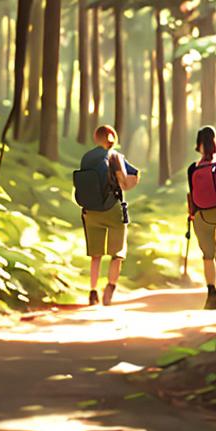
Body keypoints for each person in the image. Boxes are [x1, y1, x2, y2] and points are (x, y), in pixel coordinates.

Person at [79, 125, 140, 306]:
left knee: (96, 255)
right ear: (112, 138)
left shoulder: (86, 158)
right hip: (112, 208)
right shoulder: (115, 156)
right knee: (117, 254)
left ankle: (92, 292)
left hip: (90, 211)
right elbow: (134, 174)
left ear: (95, 138)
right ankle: (110, 288)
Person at [187, 126, 216, 310]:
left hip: (201, 216)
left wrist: (192, 214)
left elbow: (192, 195)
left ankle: (211, 292)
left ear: (199, 144)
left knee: (207, 255)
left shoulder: (193, 169)